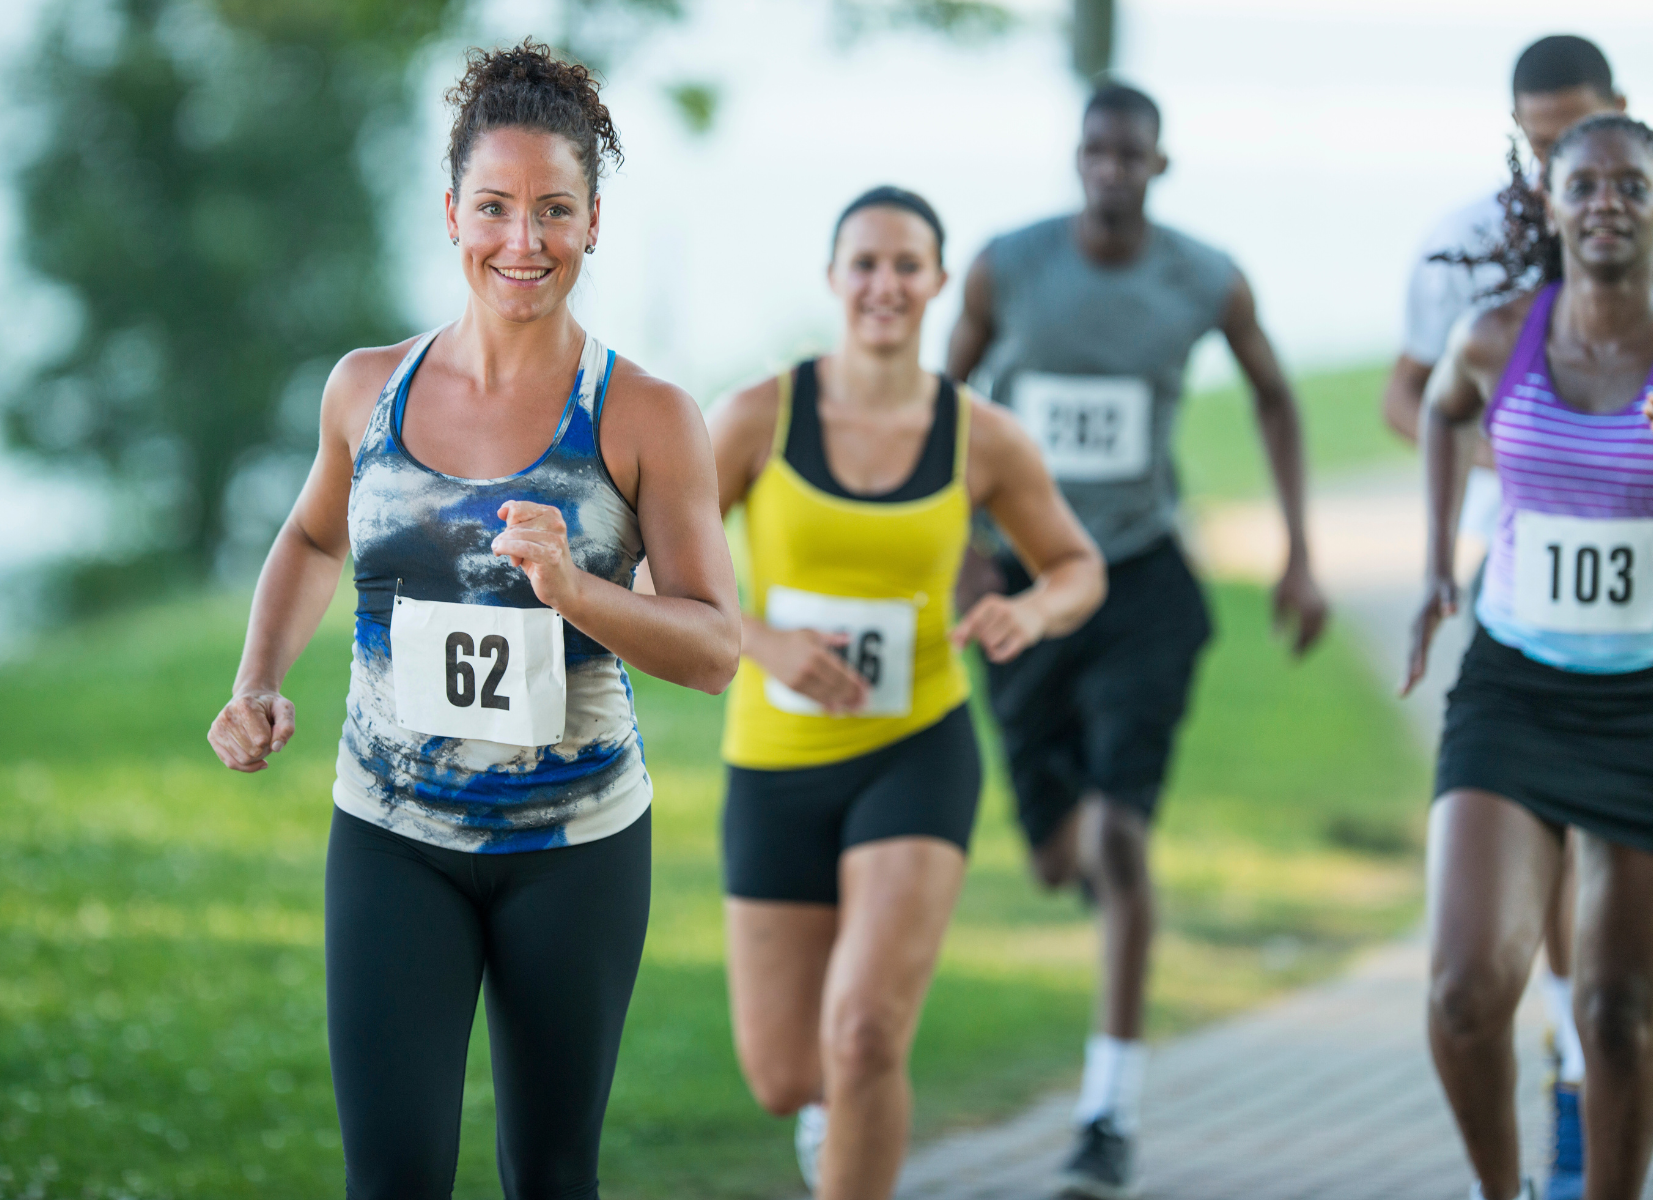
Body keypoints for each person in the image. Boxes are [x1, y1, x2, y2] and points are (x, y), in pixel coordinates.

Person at [204, 42, 741, 1199]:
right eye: (494, 208)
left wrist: (580, 591)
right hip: (393, 835)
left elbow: (716, 649)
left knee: (550, 1174)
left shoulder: (646, 416)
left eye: (555, 210)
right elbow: (310, 539)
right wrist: (254, 680)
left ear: (594, 222)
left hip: (577, 849)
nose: (523, 242)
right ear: (451, 211)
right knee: (391, 1178)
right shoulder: (367, 391)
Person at [946, 83, 1327, 1197]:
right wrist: (961, 540)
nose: (1112, 169)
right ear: (1077, 160)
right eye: (1096, 152)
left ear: (1160, 166)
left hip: (1141, 575)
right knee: (1062, 856)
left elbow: (1274, 395)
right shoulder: (1006, 265)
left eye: (1133, 155)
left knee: (1118, 845)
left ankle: (1107, 1114)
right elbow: (940, 396)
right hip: (1021, 580)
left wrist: (1301, 552)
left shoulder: (1204, 276)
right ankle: (1101, 869)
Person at [1381, 36, 1653, 1199]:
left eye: (1632, 184)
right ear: (1546, 201)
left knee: (1618, 1012)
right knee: (1464, 990)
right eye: (1581, 183)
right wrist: (1438, 561)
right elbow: (1436, 410)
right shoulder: (1497, 333)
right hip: (1517, 690)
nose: (1605, 204)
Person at [709, 187, 1106, 1200]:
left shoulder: (982, 438)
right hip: (776, 763)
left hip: (916, 746)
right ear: (834, 277)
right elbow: (644, 570)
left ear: (936, 281)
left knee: (867, 1031)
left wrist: (1035, 613)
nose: (885, 285)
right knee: (784, 1073)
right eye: (866, 263)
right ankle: (829, 1120)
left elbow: (1076, 566)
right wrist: (764, 642)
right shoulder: (758, 416)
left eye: (907, 265)